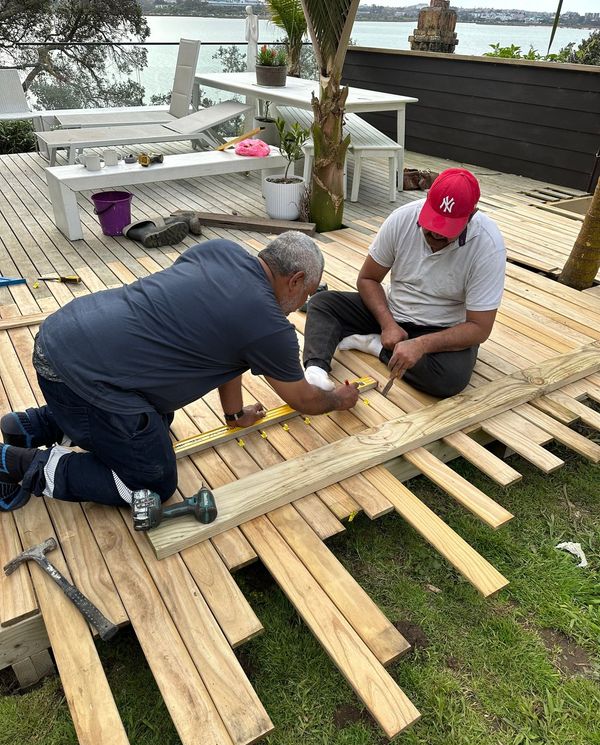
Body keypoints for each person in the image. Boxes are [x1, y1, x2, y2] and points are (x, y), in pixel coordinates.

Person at [0, 233, 359, 512]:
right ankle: (16, 464)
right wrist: (338, 399)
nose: (303, 304)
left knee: (156, 418)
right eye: (307, 294)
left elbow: (232, 353)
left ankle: (34, 426)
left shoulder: (221, 250)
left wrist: (233, 415)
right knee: (150, 484)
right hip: (79, 379)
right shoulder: (269, 326)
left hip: (63, 334)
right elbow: (304, 398)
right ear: (295, 280)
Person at [303, 168, 506, 399]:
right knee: (322, 303)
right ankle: (316, 370)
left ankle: (376, 346)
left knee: (450, 379)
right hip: (393, 311)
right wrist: (388, 323)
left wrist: (421, 345)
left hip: (444, 328)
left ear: (471, 216)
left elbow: (479, 328)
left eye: (445, 231)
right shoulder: (403, 218)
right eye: (431, 228)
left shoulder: (488, 245)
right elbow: (368, 279)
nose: (436, 237)